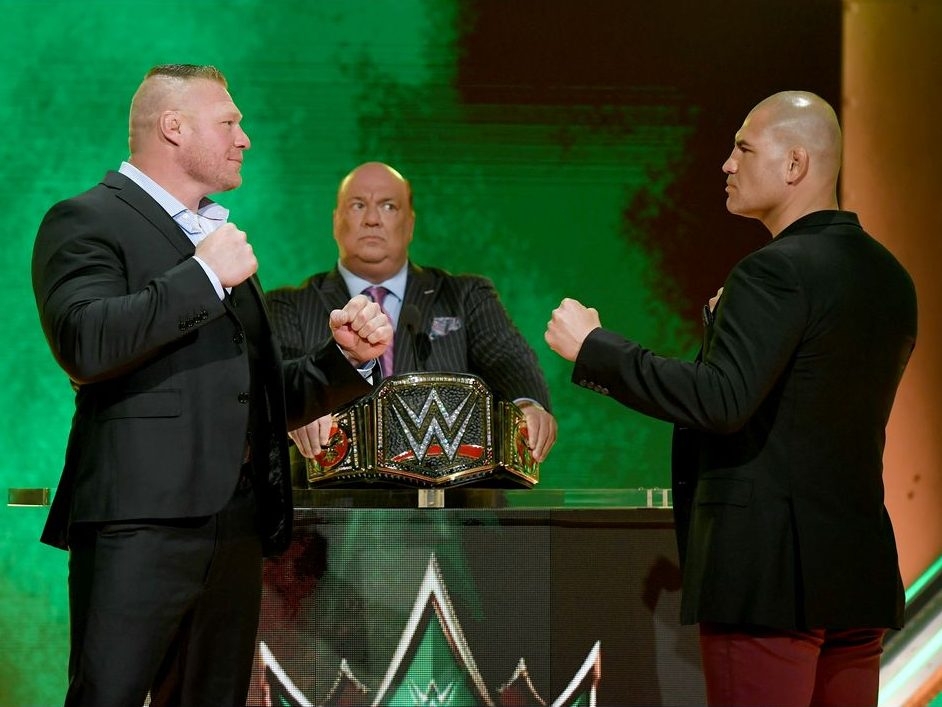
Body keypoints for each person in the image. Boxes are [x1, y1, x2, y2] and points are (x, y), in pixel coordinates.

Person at [30, 64, 392, 707]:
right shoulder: (85, 219)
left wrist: (345, 362)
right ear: (173, 128)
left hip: (233, 523)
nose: (244, 137)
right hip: (137, 524)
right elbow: (84, 343)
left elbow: (256, 394)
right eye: (229, 122)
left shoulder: (212, 237)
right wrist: (201, 277)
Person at [545, 91, 917, 707]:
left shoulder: (772, 271)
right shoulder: (889, 277)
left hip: (769, 581)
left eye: (743, 147)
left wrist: (595, 347)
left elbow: (721, 401)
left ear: (795, 164)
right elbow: (809, 398)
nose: (726, 163)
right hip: (857, 572)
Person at [267, 161, 556, 464]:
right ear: (335, 220)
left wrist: (529, 405)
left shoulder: (465, 295)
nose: (372, 219)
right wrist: (302, 407)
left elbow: (508, 359)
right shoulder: (289, 305)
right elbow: (277, 383)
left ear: (410, 224)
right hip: (335, 502)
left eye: (389, 206)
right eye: (357, 205)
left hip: (451, 500)